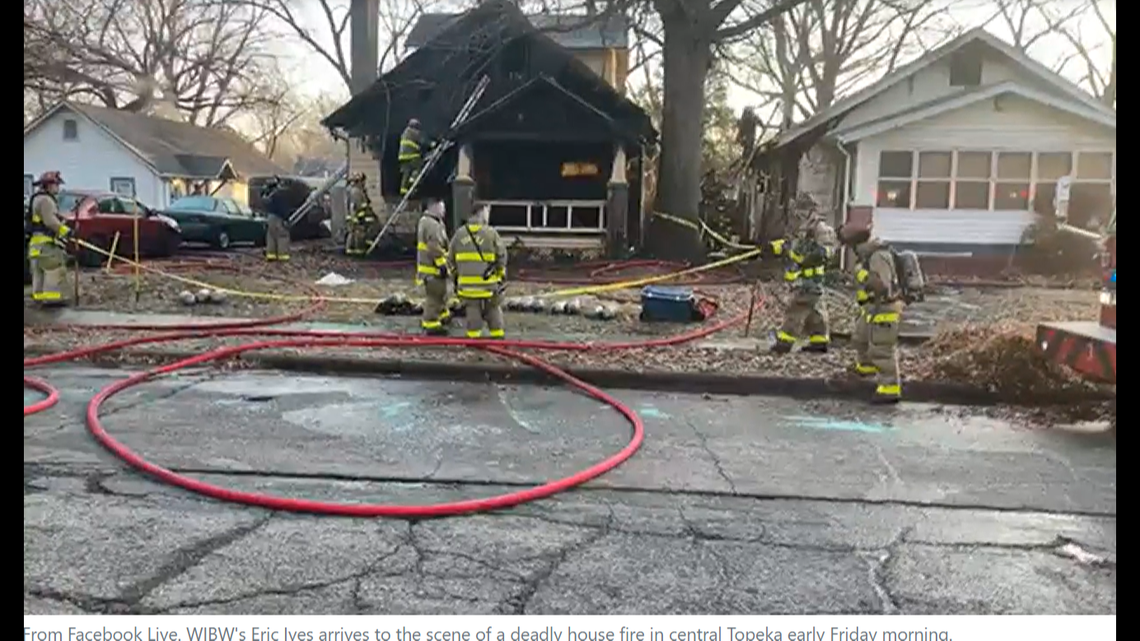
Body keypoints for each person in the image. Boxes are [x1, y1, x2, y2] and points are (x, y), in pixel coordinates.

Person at [840, 222, 904, 404]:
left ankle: (890, 389)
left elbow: (881, 285)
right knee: (860, 338)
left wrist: (861, 275)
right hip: (871, 307)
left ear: (856, 245)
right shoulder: (868, 256)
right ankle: (866, 370)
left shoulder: (878, 257)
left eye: (851, 247)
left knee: (881, 349)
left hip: (885, 309)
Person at [765, 194, 838, 354]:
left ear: (811, 210)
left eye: (802, 210)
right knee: (814, 312)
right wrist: (776, 248)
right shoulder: (803, 228)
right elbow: (793, 245)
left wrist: (802, 257)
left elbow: (825, 252)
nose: (798, 214)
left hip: (810, 279)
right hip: (804, 279)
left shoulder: (821, 229)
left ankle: (784, 343)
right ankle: (819, 342)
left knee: (795, 310)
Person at [447, 204, 506, 339]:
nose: (488, 215)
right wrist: (501, 275)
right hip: (489, 287)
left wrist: (456, 278)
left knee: (473, 318)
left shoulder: (459, 234)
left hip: (467, 289)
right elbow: (502, 256)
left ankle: (473, 344)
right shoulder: (491, 233)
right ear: (480, 214)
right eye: (486, 212)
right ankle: (498, 341)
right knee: (494, 314)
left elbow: (450, 259)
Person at [25, 171, 72, 307]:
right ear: (49, 185)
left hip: (35, 246)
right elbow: (50, 221)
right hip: (46, 246)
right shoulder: (46, 200)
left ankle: (39, 301)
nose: (58, 188)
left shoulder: (36, 199)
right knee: (54, 269)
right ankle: (53, 301)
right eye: (56, 184)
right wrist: (66, 231)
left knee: (39, 274)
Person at [416, 199, 452, 335]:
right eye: (442, 207)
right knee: (434, 297)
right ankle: (430, 323)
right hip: (432, 270)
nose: (444, 211)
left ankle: (443, 315)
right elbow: (434, 247)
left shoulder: (427, 221)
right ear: (434, 207)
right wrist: (442, 265)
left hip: (428, 269)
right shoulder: (432, 225)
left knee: (440, 294)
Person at [345, 173, 376, 256]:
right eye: (363, 181)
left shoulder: (357, 190)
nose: (364, 183)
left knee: (353, 232)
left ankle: (351, 249)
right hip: (355, 216)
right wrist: (358, 218)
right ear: (359, 181)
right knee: (357, 233)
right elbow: (357, 206)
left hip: (355, 216)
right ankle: (357, 250)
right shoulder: (356, 192)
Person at [262, 176, 291, 261]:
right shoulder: (278, 195)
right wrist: (286, 218)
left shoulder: (267, 195)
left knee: (271, 237)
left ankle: (271, 256)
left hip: (270, 218)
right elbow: (282, 208)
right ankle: (283, 257)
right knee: (282, 236)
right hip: (278, 218)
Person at [398, 118, 426, 197]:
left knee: (406, 174)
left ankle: (403, 190)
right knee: (418, 166)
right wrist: (432, 144)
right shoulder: (413, 132)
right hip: (411, 155)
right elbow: (422, 140)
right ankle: (412, 180)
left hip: (402, 157)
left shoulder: (404, 133)